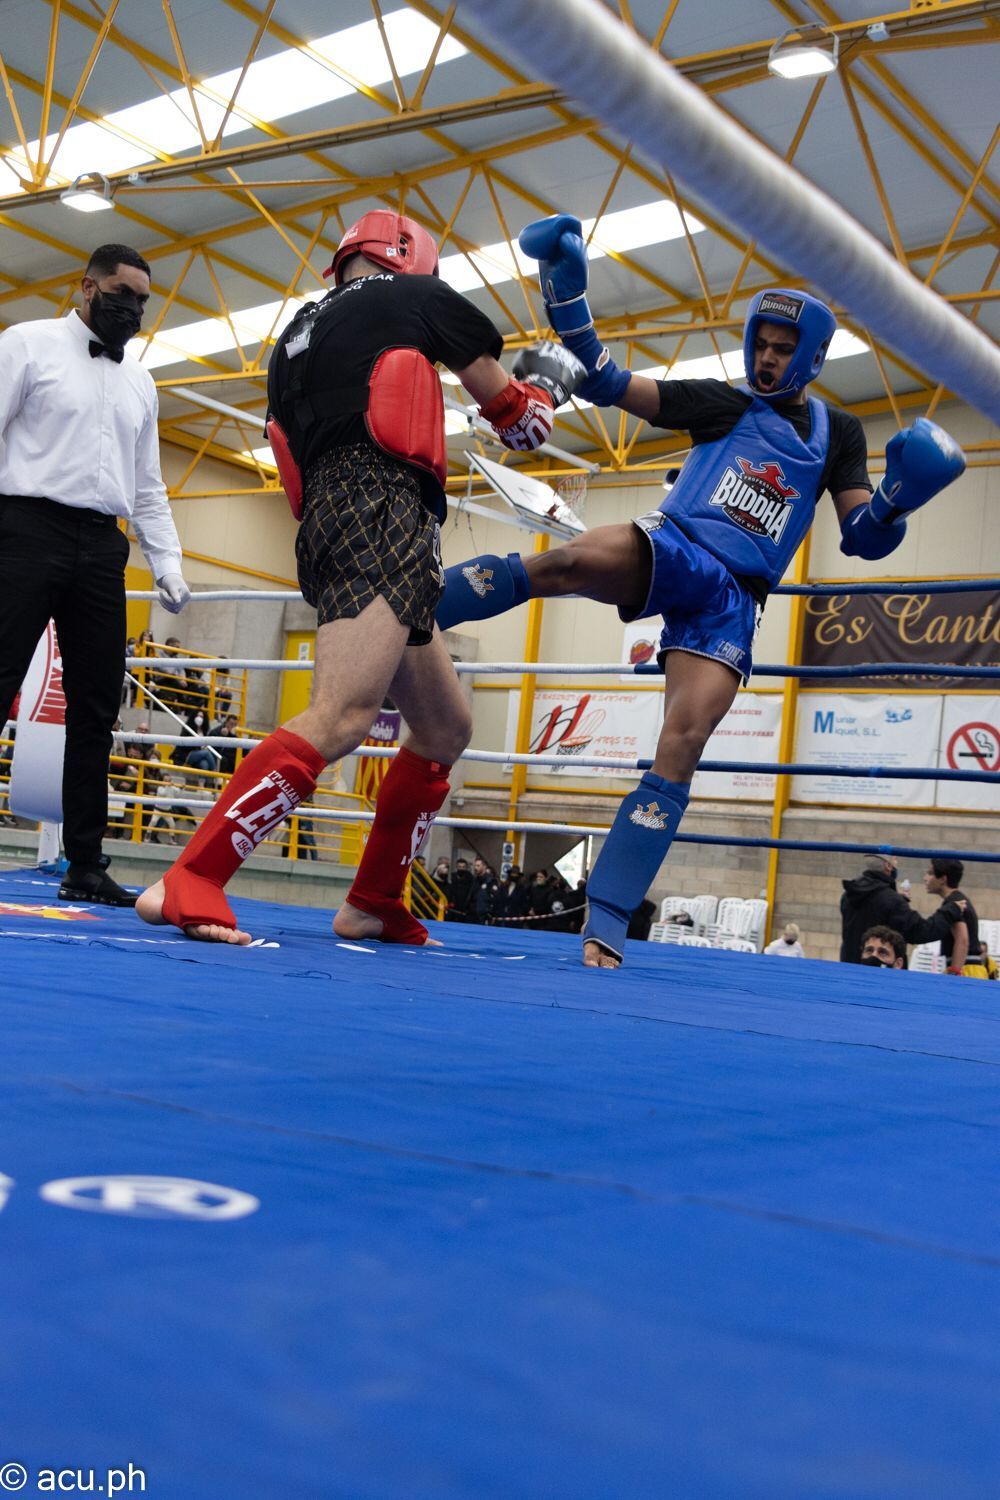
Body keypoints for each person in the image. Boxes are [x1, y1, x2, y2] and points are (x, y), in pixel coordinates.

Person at [435, 213, 966, 967]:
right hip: (677, 545)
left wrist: (898, 501)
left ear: (811, 356)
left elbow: (861, 538)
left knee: (681, 744)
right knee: (563, 563)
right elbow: (613, 381)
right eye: (762, 344)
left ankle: (608, 922)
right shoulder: (725, 402)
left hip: (735, 599)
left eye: (784, 349)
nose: (769, 358)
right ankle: (415, 607)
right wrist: (566, 297)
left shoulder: (836, 433)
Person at [136, 211, 581, 943]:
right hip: (383, 508)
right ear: (411, 261)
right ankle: (194, 875)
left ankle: (373, 898)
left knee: (444, 726)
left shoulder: (292, 341)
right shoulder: (416, 299)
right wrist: (544, 388)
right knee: (343, 714)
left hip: (332, 519)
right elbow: (520, 425)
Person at [0, 243, 190, 905]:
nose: (134, 308)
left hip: (102, 549)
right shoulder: (25, 344)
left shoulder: (141, 381)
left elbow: (148, 488)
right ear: (87, 287)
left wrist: (166, 560)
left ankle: (84, 862)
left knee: (96, 711)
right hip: (21, 529)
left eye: (143, 299)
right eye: (122, 293)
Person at [840, 854, 964, 964]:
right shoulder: (891, 900)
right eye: (895, 859)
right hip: (881, 970)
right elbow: (920, 932)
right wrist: (950, 911)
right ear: (888, 866)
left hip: (849, 965)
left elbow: (870, 917)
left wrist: (898, 902)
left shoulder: (849, 895)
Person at [922, 859, 981, 977]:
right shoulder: (958, 899)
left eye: (930, 873)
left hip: (965, 970)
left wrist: (955, 972)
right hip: (969, 967)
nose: (925, 878)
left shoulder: (954, 902)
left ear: (943, 879)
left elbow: (962, 940)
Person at [445, 856, 475, 922]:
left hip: (465, 908)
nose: (461, 869)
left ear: (466, 867)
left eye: (463, 867)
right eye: (459, 867)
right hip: (453, 907)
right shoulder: (452, 877)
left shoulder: (470, 879)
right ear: (457, 867)